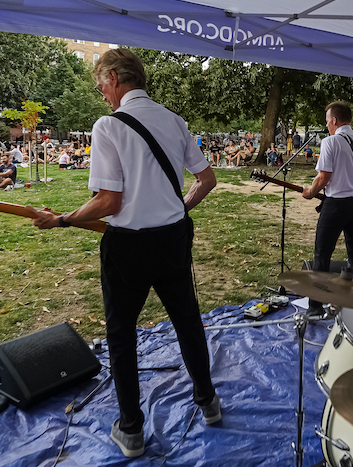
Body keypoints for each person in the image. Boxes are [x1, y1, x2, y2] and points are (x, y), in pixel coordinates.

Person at [28, 49, 221, 457]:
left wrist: (62, 220)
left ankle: (131, 429)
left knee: (121, 335)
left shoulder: (107, 126)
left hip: (128, 247)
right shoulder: (174, 120)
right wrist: (176, 209)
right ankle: (209, 404)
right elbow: (207, 179)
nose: (101, 94)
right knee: (187, 322)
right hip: (172, 239)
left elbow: (109, 201)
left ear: (114, 77)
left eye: (101, 84)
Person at [302, 102, 353, 315]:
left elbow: (324, 176)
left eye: (327, 121)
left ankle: (316, 306)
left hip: (336, 205)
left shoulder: (330, 142)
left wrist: (311, 192)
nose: (327, 125)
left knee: (322, 254)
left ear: (334, 120)